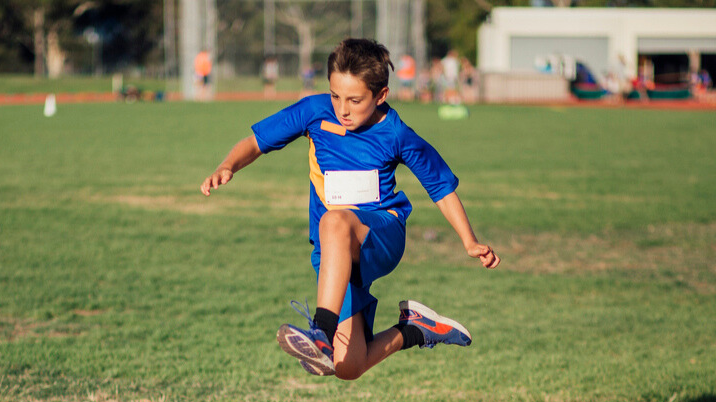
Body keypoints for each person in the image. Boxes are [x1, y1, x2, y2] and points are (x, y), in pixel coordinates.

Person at [199, 38, 500, 380]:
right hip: (333, 254)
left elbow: (441, 187)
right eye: (335, 95)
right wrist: (228, 166)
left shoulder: (396, 133)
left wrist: (469, 241)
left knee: (335, 220)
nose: (342, 108)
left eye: (355, 100)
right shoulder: (314, 112)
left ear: (381, 96)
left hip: (381, 235)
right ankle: (418, 329)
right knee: (348, 366)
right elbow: (256, 142)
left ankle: (321, 332)